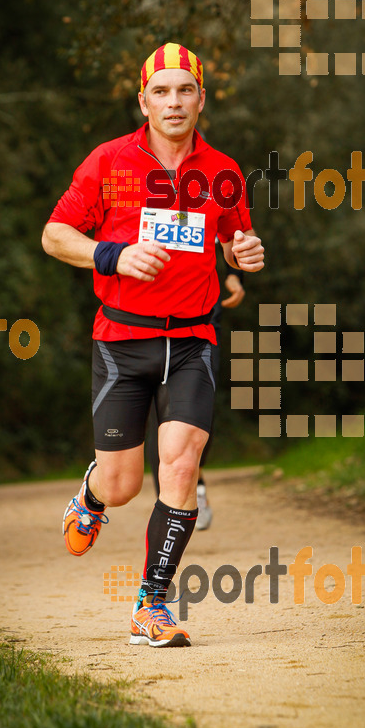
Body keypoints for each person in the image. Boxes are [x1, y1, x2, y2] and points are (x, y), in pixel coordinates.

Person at [42, 42, 264, 648]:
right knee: (123, 485)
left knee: (183, 463)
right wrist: (112, 254)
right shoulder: (108, 162)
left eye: (184, 90)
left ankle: (152, 604)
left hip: (192, 339)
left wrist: (243, 253)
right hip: (122, 340)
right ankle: (91, 495)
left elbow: (233, 237)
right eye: (161, 92)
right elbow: (54, 234)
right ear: (143, 100)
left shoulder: (223, 170)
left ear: (199, 98)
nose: (173, 102)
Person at [146, 264, 245, 530]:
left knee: (198, 415)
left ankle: (194, 482)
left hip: (203, 322)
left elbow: (237, 231)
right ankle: (170, 505)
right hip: (150, 316)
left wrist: (235, 275)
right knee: (162, 415)